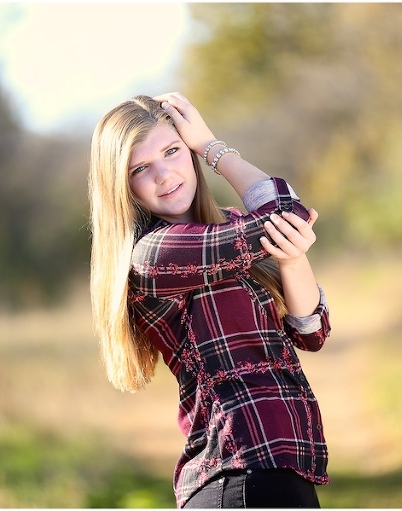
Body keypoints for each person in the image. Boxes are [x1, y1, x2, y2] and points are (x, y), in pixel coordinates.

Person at [88, 92, 331, 508]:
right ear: (121, 186)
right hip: (236, 475)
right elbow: (285, 212)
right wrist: (213, 147)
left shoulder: (234, 227)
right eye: (141, 168)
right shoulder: (153, 255)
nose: (165, 175)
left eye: (173, 151)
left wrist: (291, 258)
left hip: (280, 467)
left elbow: (311, 331)